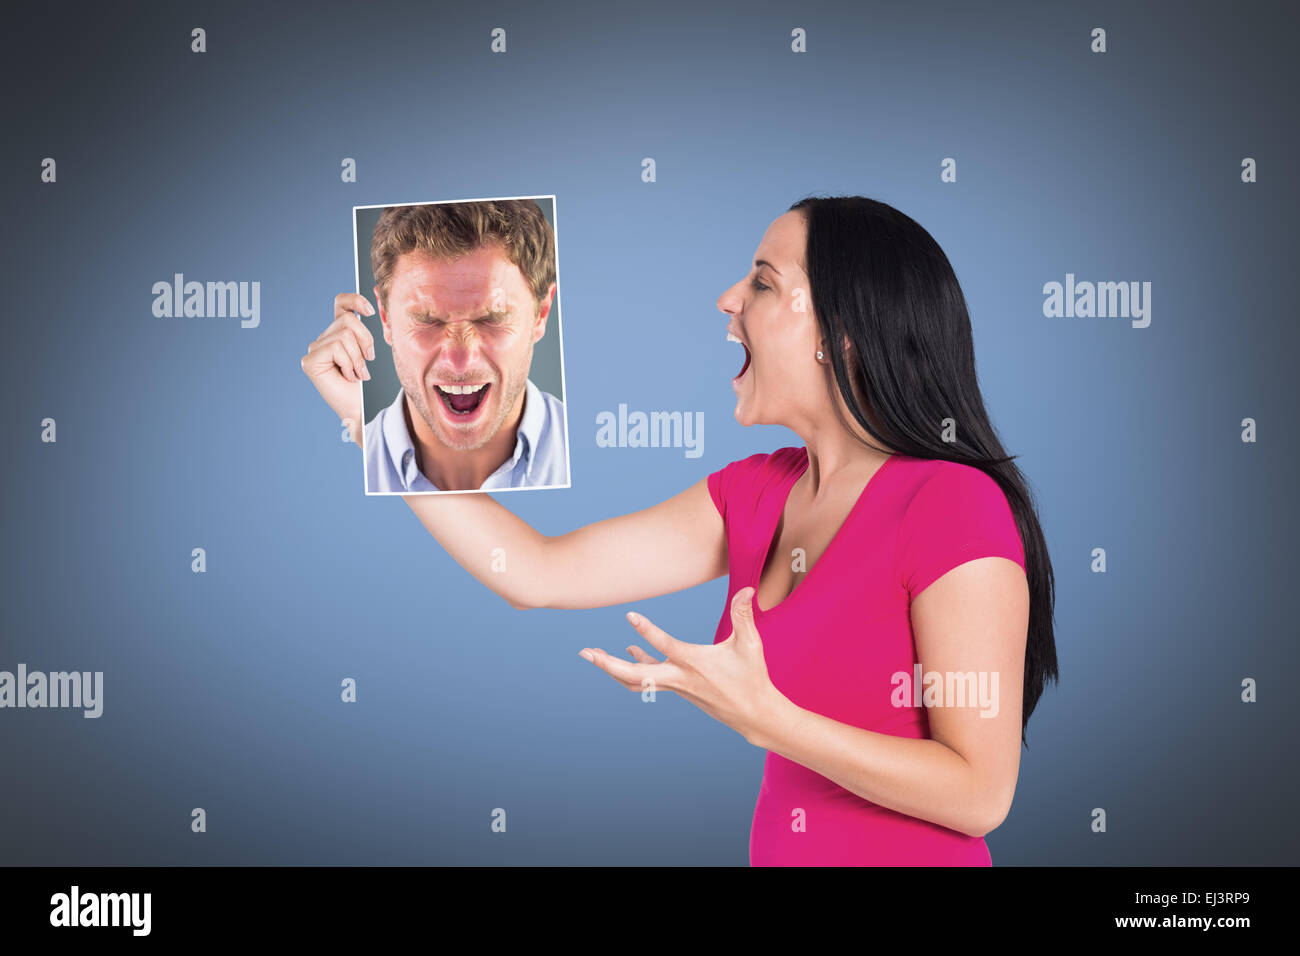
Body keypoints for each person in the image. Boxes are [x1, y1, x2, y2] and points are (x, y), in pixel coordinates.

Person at [300, 195, 1058, 865]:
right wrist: (369, 423)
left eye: (764, 282)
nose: (729, 298)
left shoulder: (950, 504)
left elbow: (980, 793)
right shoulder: (758, 492)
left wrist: (772, 722)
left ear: (843, 332)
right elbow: (535, 572)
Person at [322, 200, 568, 492]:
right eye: (428, 321)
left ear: (541, 314)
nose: (460, 361)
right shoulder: (333, 469)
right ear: (386, 319)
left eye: (491, 318)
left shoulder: (582, 452)